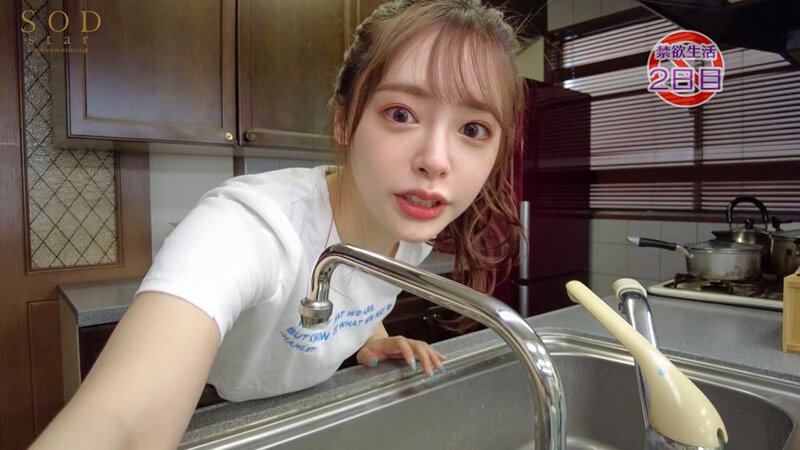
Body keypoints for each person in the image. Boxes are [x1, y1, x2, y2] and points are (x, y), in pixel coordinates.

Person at [31, 0, 526, 448]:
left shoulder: (411, 229)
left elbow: (357, 289)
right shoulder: (250, 225)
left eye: (473, 129)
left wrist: (373, 337)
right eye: (401, 114)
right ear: (344, 120)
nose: (435, 160)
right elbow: (121, 423)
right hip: (213, 413)